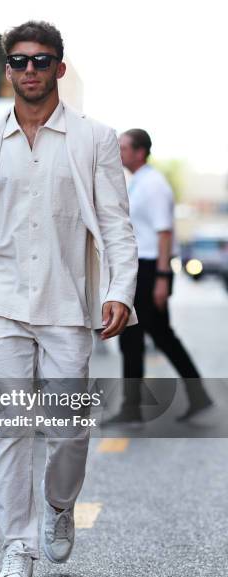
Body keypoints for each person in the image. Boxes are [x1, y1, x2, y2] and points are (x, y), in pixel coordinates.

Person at [0, 21, 138, 577]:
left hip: (69, 304)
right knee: (12, 428)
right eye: (19, 62)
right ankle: (16, 549)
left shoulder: (94, 138)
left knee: (67, 429)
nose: (30, 71)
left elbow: (117, 225)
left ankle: (59, 504)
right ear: (7, 70)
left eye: (42, 62)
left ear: (59, 68)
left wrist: (120, 291)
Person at [106, 129, 212, 426]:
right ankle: (141, 405)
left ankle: (137, 407)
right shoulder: (139, 182)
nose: (119, 152)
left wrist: (163, 278)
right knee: (139, 338)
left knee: (149, 336)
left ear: (140, 152)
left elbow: (165, 232)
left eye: (123, 147)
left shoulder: (154, 185)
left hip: (151, 269)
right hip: (142, 268)